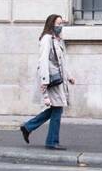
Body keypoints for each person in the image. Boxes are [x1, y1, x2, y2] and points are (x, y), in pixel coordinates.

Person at [20, 14, 75, 150]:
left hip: (58, 79)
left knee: (55, 109)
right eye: (57, 24)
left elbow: (61, 62)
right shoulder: (47, 39)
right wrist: (44, 81)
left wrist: (68, 76)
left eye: (61, 23)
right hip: (51, 80)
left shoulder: (58, 40)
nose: (60, 26)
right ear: (51, 24)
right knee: (58, 109)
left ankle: (28, 127)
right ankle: (51, 141)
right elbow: (43, 60)